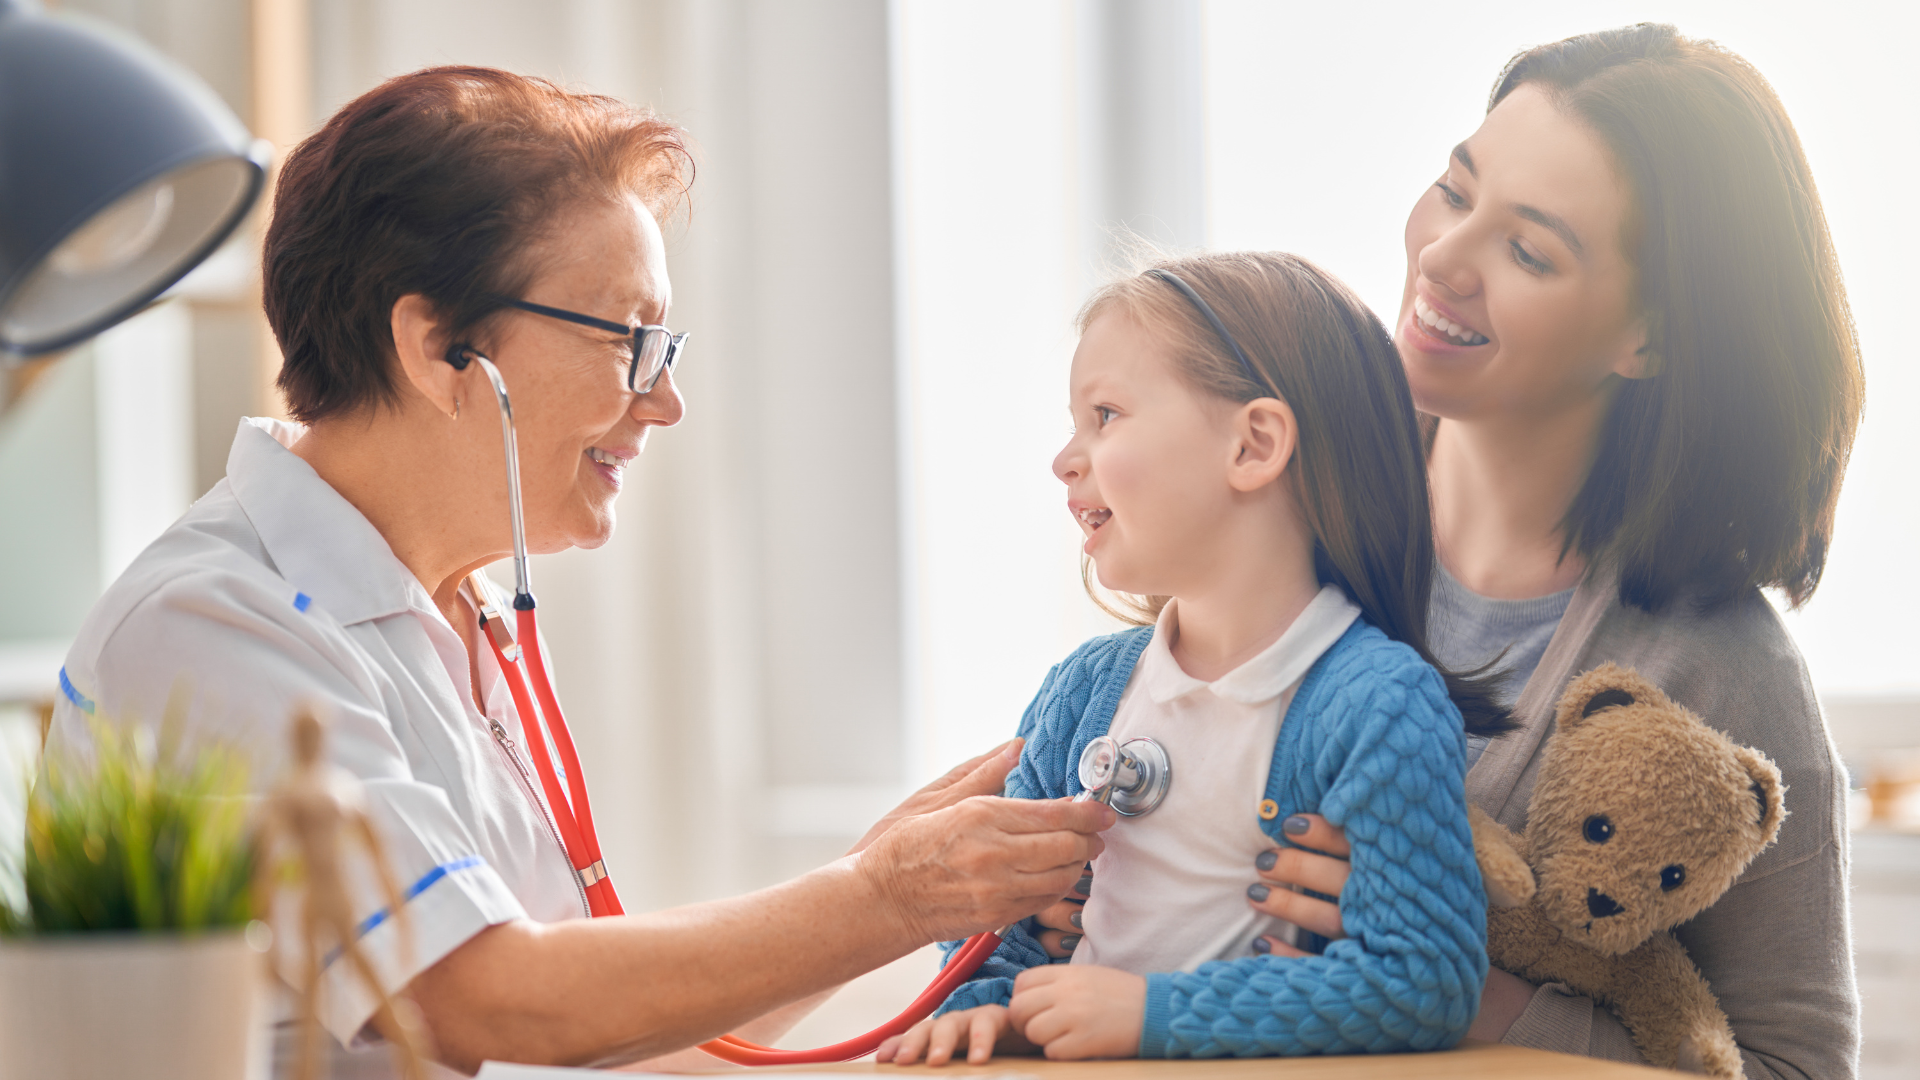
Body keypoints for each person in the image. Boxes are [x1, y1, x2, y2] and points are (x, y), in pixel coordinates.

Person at [45, 66, 1109, 1073]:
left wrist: (897, 882)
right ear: (436, 348)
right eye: (624, 337)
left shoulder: (456, 616)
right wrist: (881, 897)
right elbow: (487, 1005)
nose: (663, 401)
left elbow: (590, 1047)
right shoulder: (210, 624)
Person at [1242, 25, 1862, 1078]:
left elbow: (1798, 1067)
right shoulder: (1295, 510)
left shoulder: (1721, 671)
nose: (1442, 257)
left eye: (1528, 250)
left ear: (1649, 337)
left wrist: (1456, 984)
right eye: (1453, 189)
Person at [880, 251, 1514, 1064]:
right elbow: (1000, 936)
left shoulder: (1379, 705)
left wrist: (1155, 1013)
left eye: (1104, 415)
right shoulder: (1081, 692)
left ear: (1253, 445)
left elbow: (1423, 981)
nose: (1064, 460)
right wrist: (977, 1003)